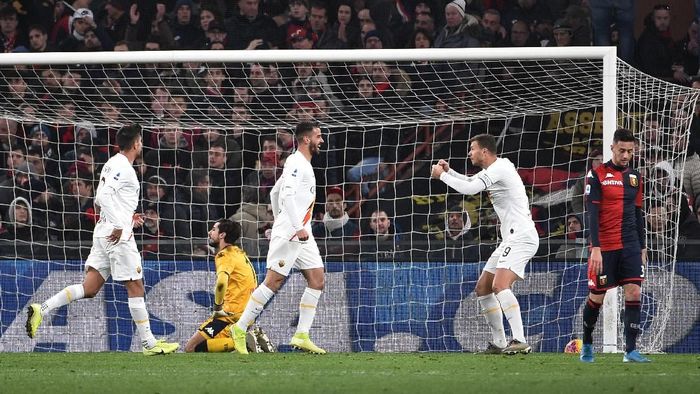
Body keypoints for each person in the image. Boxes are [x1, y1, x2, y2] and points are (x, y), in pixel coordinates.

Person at [25, 124, 179, 356]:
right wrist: (119, 224)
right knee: (135, 285)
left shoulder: (112, 163)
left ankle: (42, 308)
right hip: (116, 235)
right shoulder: (123, 168)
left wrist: (127, 216)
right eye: (140, 140)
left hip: (104, 232)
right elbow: (101, 197)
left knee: (90, 287)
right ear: (136, 143)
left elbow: (106, 200)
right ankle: (149, 343)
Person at [431, 133, 539, 355]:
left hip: (522, 235)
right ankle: (499, 342)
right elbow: (471, 181)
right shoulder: (497, 168)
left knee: (500, 286)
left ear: (484, 151)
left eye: (472, 149)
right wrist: (450, 172)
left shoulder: (500, 169)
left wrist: (441, 177)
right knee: (483, 288)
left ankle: (519, 339)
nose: (469, 153)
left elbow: (470, 190)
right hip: (511, 237)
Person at [229, 121, 326, 355]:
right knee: (273, 282)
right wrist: (291, 226)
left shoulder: (301, 163)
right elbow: (288, 195)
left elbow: (275, 192)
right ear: (306, 139)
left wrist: (278, 222)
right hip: (293, 232)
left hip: (301, 232)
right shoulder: (295, 163)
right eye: (318, 136)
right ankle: (240, 329)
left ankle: (302, 334)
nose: (321, 140)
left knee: (317, 280)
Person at [580, 128, 649, 363]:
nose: (626, 155)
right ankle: (587, 343)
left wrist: (643, 246)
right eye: (622, 150)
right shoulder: (596, 175)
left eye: (630, 151)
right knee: (596, 297)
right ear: (612, 147)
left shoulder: (636, 177)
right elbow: (592, 213)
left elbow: (638, 213)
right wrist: (595, 248)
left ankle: (630, 351)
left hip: (630, 244)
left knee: (634, 290)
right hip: (605, 246)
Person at [184, 219, 273, 353]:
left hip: (228, 314)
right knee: (206, 346)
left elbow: (221, 283)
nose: (209, 232)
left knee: (190, 347)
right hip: (245, 312)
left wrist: (218, 307)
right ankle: (247, 339)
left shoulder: (224, 255)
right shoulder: (238, 252)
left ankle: (247, 341)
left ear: (222, 235)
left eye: (213, 229)